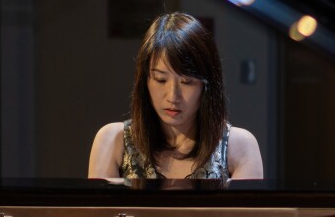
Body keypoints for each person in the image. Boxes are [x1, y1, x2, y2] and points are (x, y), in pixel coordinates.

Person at [88, 12, 263, 180]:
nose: (172, 96)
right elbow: (99, 211)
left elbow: (246, 212)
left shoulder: (239, 146)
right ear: (145, 81)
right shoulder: (113, 141)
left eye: (187, 82)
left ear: (206, 85)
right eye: (161, 79)